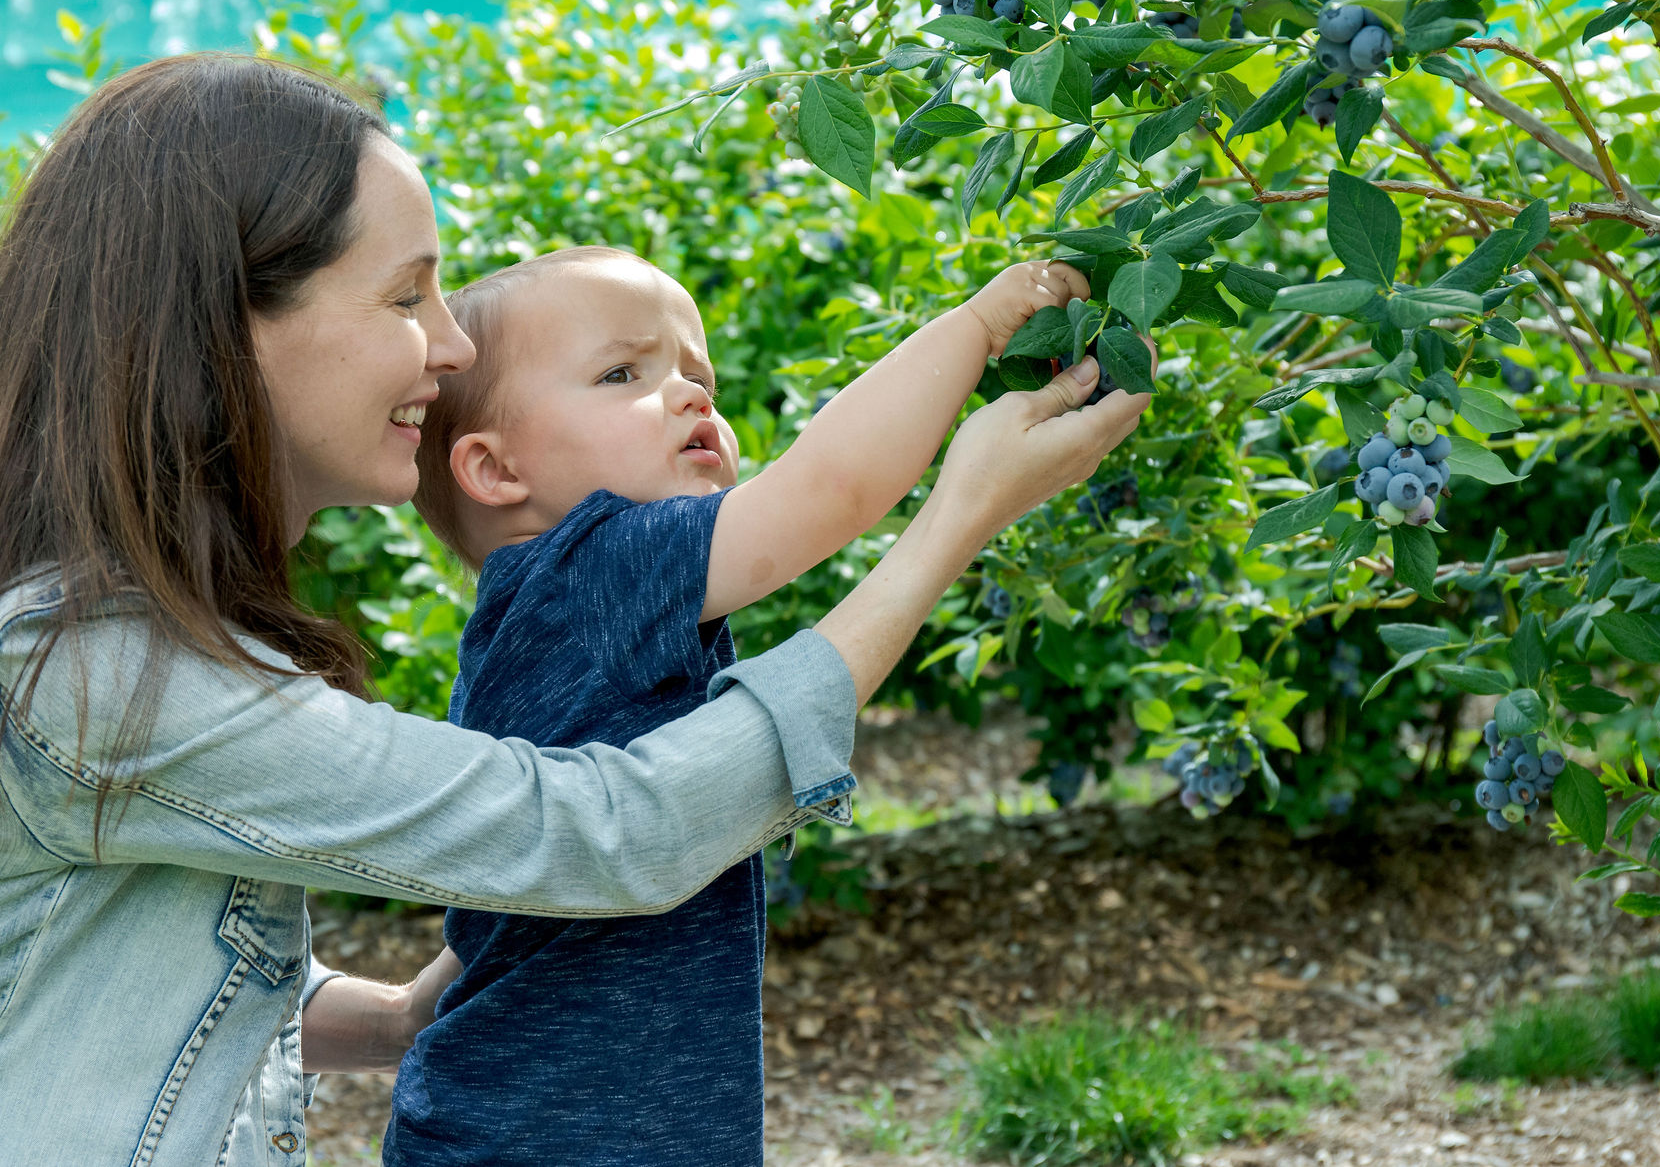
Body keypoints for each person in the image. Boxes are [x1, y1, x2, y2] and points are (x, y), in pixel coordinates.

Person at [0, 53, 1149, 1167]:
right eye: (409, 296)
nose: (455, 345)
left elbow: (121, 978)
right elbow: (610, 831)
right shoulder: (94, 675)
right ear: (230, 330)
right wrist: (955, 521)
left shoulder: (100, 638)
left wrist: (421, 1011)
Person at [385, 245, 1117, 1166]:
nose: (693, 396)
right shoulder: (591, 568)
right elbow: (828, 488)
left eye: (700, 375)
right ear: (495, 470)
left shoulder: (569, 614)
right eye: (624, 373)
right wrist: (974, 328)